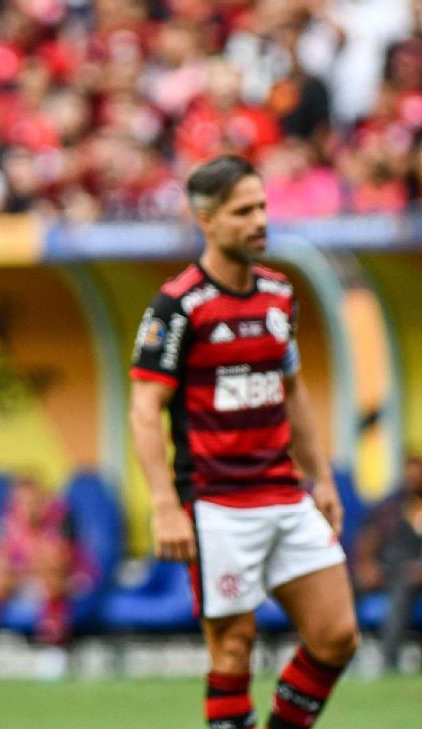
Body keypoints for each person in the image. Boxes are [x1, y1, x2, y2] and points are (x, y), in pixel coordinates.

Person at [128, 155, 359, 729]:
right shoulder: (178, 305)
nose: (260, 220)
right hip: (216, 504)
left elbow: (293, 392)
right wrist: (165, 506)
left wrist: (322, 477)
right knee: (234, 652)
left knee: (338, 637)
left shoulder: (280, 293)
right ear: (207, 220)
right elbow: (143, 409)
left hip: (282, 493)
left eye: (262, 206)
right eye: (243, 211)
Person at [0, 474, 89, 652]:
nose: (28, 507)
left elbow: (57, 562)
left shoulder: (61, 518)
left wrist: (23, 565)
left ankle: (53, 634)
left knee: (51, 578)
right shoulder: (8, 520)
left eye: (33, 501)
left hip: (71, 578)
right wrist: (15, 569)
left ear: (42, 499)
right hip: (24, 576)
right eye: (22, 501)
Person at [354, 455, 422, 672]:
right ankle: (341, 656)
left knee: (401, 592)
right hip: (385, 567)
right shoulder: (390, 506)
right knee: (347, 586)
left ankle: (387, 661)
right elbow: (369, 537)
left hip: (412, 571)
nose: (412, 477)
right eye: (408, 472)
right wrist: (366, 565)